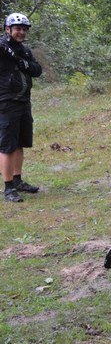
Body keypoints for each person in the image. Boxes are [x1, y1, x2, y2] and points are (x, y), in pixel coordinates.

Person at [1, 13, 42, 203]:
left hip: (24, 102)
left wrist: (23, 62)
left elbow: (37, 70)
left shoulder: (24, 50)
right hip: (6, 103)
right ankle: (8, 187)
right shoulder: (2, 49)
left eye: (24, 29)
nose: (21, 32)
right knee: (7, 146)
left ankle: (18, 180)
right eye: (18, 29)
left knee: (20, 143)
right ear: (8, 29)